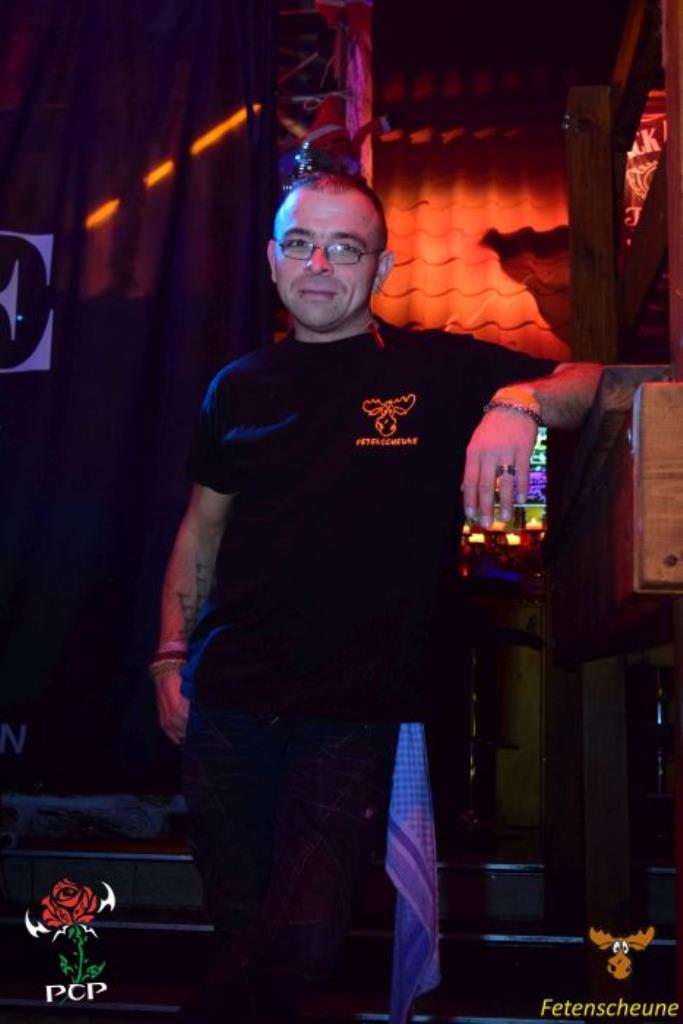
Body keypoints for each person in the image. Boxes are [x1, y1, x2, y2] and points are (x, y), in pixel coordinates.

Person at [151, 172, 602, 1022]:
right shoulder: (237, 384)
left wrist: (517, 403)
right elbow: (202, 529)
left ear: (381, 266)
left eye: (344, 248)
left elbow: (594, 380)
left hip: (355, 710)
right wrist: (169, 654)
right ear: (273, 260)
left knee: (307, 941)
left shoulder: (438, 369)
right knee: (237, 925)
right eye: (299, 244)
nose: (319, 264)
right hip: (229, 699)